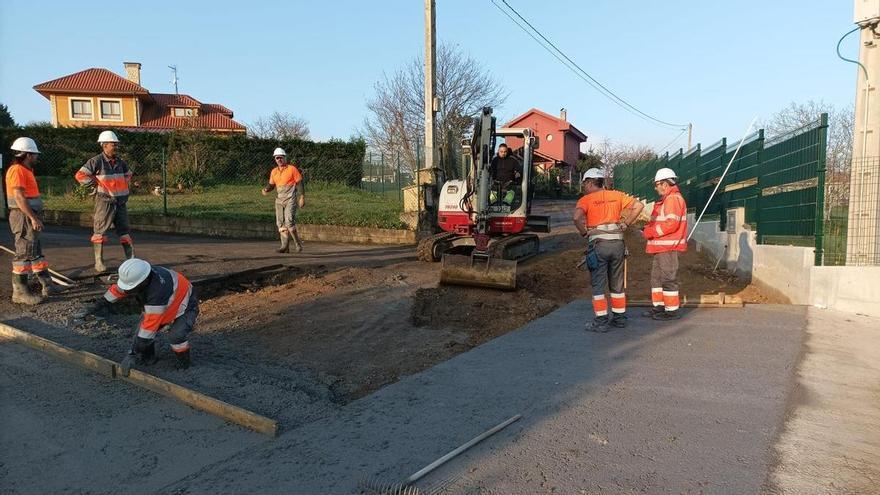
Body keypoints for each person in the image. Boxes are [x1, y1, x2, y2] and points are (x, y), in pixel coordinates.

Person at [87, 258, 197, 370]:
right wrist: (96, 305)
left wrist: (132, 354)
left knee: (176, 336)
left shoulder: (156, 292)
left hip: (185, 302)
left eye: (132, 288)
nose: (128, 291)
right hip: (167, 299)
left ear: (143, 281)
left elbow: (149, 328)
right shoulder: (139, 275)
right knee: (141, 333)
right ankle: (148, 359)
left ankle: (184, 364)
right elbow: (119, 290)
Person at [573, 168, 644, 332]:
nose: (584, 187)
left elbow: (576, 218)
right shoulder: (616, 195)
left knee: (598, 284)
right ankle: (619, 319)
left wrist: (584, 232)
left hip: (599, 245)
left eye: (585, 183)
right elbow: (639, 205)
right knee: (617, 284)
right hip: (618, 244)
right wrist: (626, 223)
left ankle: (601, 322)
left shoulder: (586, 199)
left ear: (590, 182)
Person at [6, 137, 58, 304]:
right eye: (35, 154)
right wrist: (33, 217)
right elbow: (19, 198)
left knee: (35, 252)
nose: (37, 157)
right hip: (23, 217)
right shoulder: (17, 170)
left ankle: (47, 285)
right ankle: (20, 292)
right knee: (24, 253)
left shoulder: (25, 170)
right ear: (28, 154)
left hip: (27, 216)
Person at [75, 130, 134, 272]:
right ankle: (99, 262)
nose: (116, 146)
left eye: (116, 144)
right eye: (113, 144)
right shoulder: (96, 161)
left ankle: (132, 261)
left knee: (124, 231)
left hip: (120, 202)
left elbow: (129, 173)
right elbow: (80, 175)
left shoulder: (120, 161)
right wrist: (95, 184)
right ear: (104, 145)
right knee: (99, 232)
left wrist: (124, 185)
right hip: (104, 201)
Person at [642, 167, 688, 321]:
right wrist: (649, 229)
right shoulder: (668, 199)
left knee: (668, 278)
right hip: (661, 246)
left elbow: (671, 224)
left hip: (667, 247)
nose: (656, 188)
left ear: (664, 183)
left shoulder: (673, 199)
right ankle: (659, 307)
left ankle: (671, 311)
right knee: (656, 278)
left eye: (657, 184)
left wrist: (650, 232)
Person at [262, 148, 305, 253]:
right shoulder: (274, 171)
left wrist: (302, 197)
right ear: (275, 159)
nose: (279, 159)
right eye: (277, 158)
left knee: (289, 222)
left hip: (290, 198)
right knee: (280, 223)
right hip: (279, 200)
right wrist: (266, 189)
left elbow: (299, 183)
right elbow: (272, 184)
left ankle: (297, 243)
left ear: (285, 158)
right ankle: (284, 246)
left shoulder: (292, 169)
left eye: (281, 157)